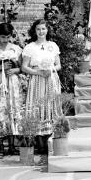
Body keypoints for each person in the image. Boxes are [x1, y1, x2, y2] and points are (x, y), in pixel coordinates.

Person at [22, 19, 63, 154]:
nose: (41, 32)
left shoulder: (53, 45)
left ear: (47, 30)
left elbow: (58, 65)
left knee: (50, 106)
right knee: (38, 106)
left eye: (43, 29)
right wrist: (38, 72)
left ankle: (51, 139)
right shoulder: (30, 47)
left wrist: (50, 70)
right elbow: (24, 67)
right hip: (37, 79)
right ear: (35, 31)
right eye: (38, 29)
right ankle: (39, 141)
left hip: (50, 78)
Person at [0, 22, 24, 155]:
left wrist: (14, 70)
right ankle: (1, 145)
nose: (5, 40)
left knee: (13, 109)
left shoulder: (16, 49)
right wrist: (0, 68)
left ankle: (13, 145)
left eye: (7, 37)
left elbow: (22, 68)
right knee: (0, 110)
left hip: (12, 81)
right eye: (2, 37)